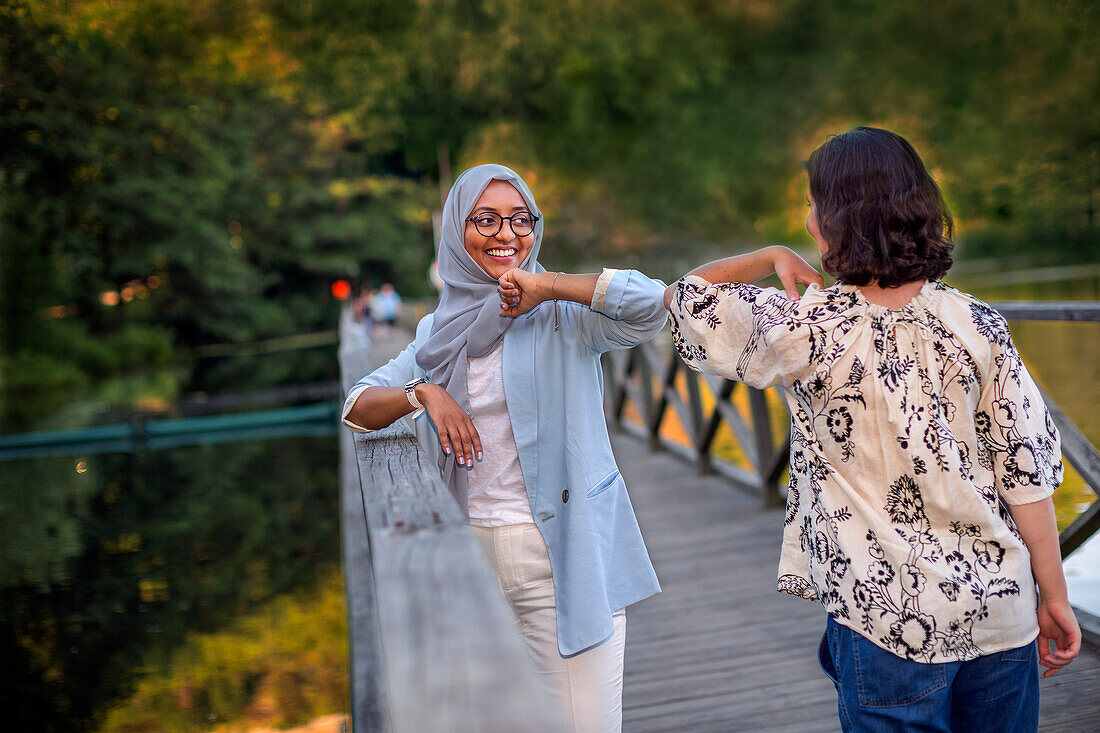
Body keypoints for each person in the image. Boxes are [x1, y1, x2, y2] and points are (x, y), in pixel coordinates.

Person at [664, 127, 1080, 732]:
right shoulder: (979, 326)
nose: (808, 221)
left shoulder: (805, 329)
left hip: (885, 621)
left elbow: (689, 296)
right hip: (999, 609)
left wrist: (768, 258)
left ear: (837, 217)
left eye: (813, 205)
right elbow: (1025, 472)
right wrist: (1056, 596)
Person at [342, 163, 665, 732]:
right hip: (468, 561)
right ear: (455, 232)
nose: (506, 234)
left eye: (521, 220)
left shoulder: (564, 315)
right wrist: (424, 394)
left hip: (564, 559)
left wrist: (548, 285)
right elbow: (356, 407)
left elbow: (652, 304)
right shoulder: (436, 334)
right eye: (485, 220)